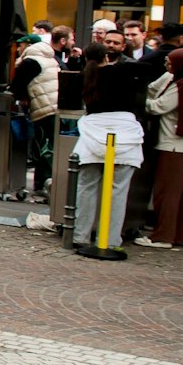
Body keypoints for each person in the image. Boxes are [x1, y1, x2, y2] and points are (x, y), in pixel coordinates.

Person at [74, 45, 146, 254]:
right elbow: (148, 67)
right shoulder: (122, 71)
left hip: (92, 133)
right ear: (107, 56)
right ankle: (111, 238)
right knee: (118, 191)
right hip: (125, 132)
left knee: (86, 187)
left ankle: (81, 234)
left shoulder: (84, 76)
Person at [136, 49, 183, 249]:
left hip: (174, 143)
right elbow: (154, 88)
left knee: (166, 192)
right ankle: (179, 235)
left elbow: (158, 106)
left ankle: (163, 236)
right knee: (181, 191)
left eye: (169, 62)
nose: (166, 65)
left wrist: (140, 100)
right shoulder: (182, 79)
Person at [9, 35, 60, 201]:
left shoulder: (30, 61)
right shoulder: (50, 58)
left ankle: (46, 184)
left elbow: (17, 86)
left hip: (43, 108)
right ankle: (42, 183)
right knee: (50, 145)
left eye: (20, 45)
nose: (18, 49)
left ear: (28, 45)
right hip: (55, 107)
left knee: (43, 147)